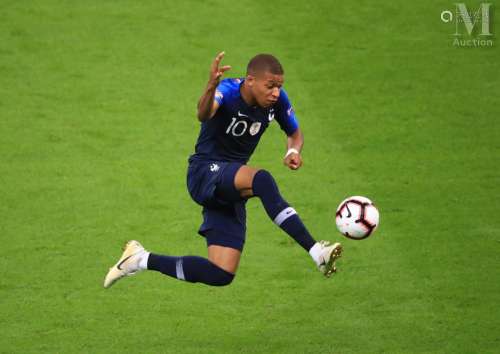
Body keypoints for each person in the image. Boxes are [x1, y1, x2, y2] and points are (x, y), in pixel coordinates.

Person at [104, 52, 342, 288]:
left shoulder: (278, 101)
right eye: (270, 86)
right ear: (250, 80)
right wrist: (210, 85)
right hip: (205, 172)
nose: (275, 93)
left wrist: (293, 152)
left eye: (279, 86)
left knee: (221, 273)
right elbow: (203, 113)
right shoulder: (227, 91)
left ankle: (139, 259)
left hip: (229, 182)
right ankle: (316, 251)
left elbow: (294, 134)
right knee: (262, 180)